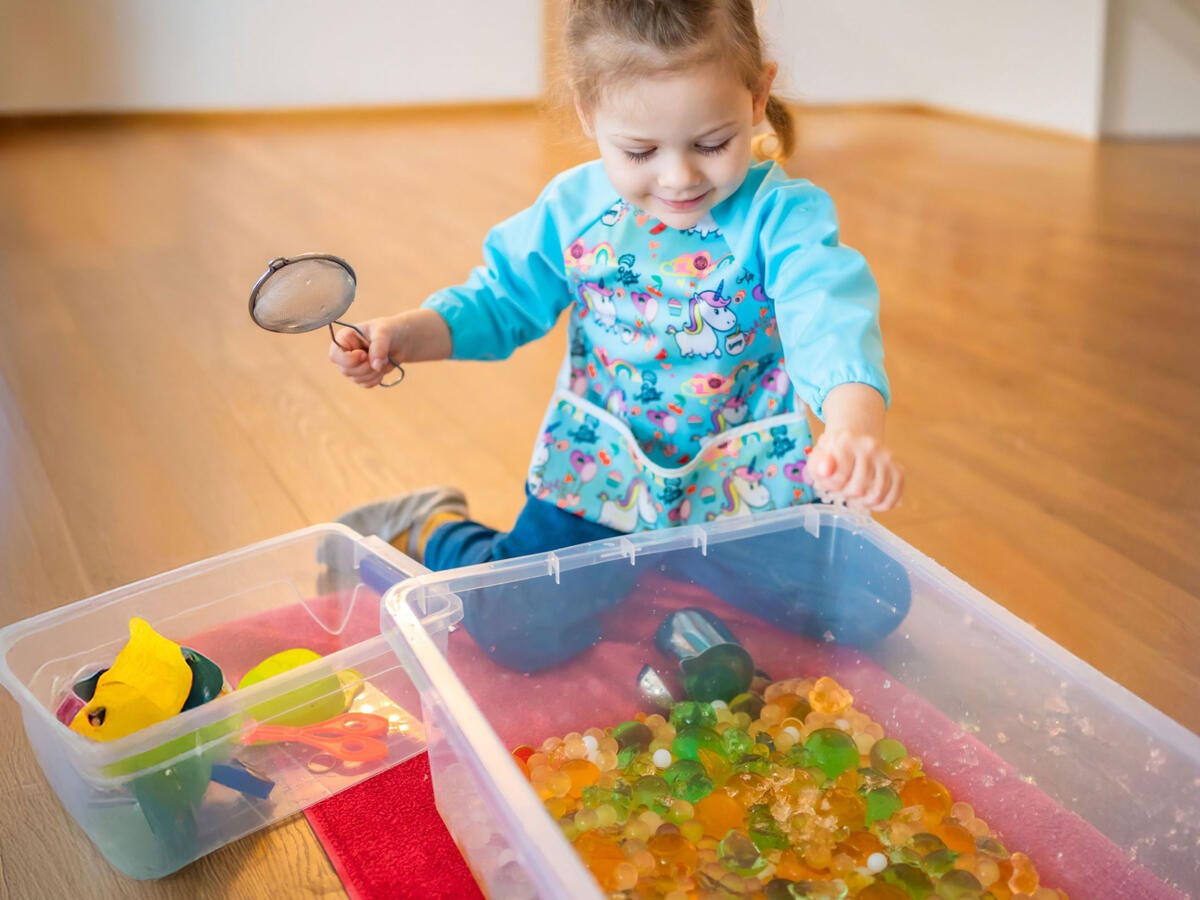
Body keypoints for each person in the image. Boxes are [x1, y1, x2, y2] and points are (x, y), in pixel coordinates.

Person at [329, 0, 903, 583]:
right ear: (587, 113)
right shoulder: (572, 211)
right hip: (601, 469)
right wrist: (403, 335)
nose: (679, 177)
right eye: (640, 152)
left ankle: (664, 575)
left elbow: (826, 314)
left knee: (871, 598)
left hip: (749, 476)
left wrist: (852, 426)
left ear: (757, 96)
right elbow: (501, 302)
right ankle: (433, 526)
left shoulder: (782, 217)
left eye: (710, 144)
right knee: (519, 619)